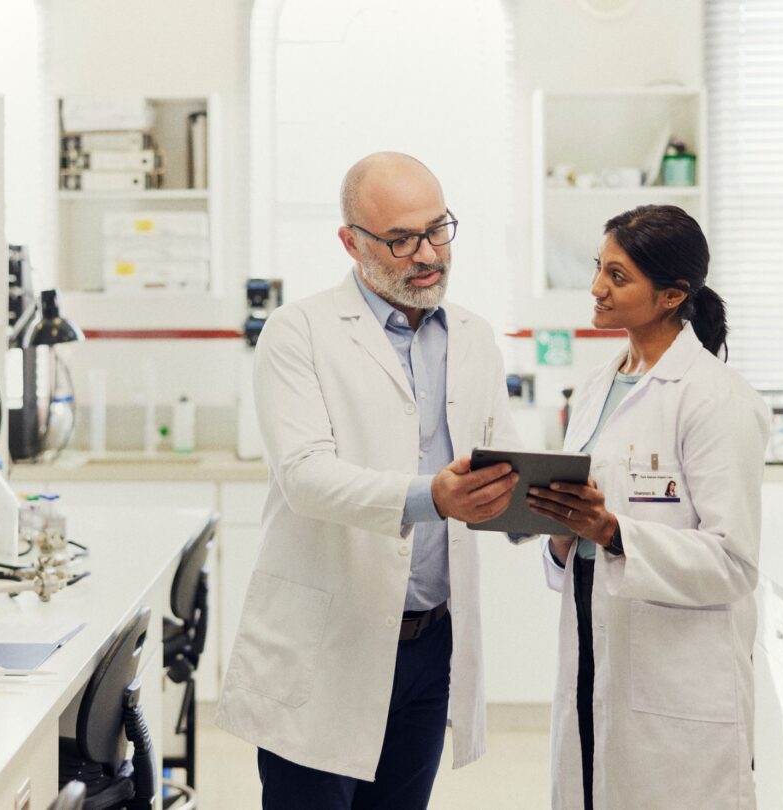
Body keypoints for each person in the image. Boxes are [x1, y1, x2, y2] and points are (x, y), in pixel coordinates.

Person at [216, 152, 523, 809]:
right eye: (401, 239)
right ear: (351, 242)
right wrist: (430, 495)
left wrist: (551, 513)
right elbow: (306, 476)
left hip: (431, 644)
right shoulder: (298, 331)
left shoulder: (473, 338)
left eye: (438, 229)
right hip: (329, 643)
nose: (428, 253)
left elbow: (501, 466)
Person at [524, 205, 769, 809]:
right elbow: (581, 538)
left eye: (618, 276)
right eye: (598, 268)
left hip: (679, 680)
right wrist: (561, 529)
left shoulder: (715, 399)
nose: (597, 289)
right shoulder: (594, 388)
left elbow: (733, 562)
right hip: (593, 644)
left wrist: (612, 532)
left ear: (670, 296)